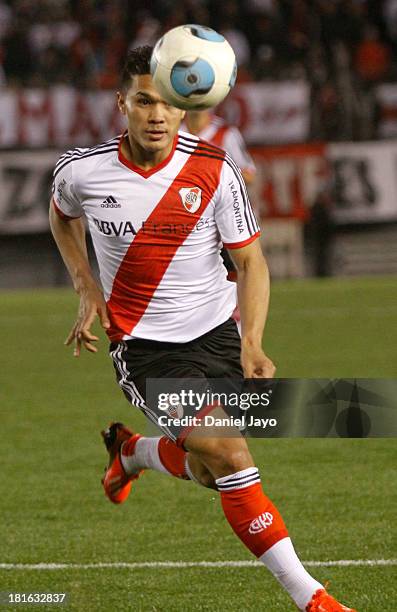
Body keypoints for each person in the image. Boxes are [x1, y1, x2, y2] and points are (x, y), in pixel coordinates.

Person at [49, 45, 356, 612]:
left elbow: (252, 262)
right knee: (229, 453)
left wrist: (253, 341)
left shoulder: (214, 168)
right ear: (122, 104)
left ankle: (133, 453)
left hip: (218, 334)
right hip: (146, 349)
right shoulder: (83, 170)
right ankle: (312, 599)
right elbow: (61, 214)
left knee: (212, 470)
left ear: (186, 105)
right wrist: (84, 283)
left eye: (167, 103)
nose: (157, 115)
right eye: (143, 101)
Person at [183, 109, 257, 328]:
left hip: (221, 217)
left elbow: (249, 174)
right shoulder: (175, 131)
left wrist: (210, 171)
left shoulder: (226, 133)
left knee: (237, 268)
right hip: (187, 218)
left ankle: (239, 326)